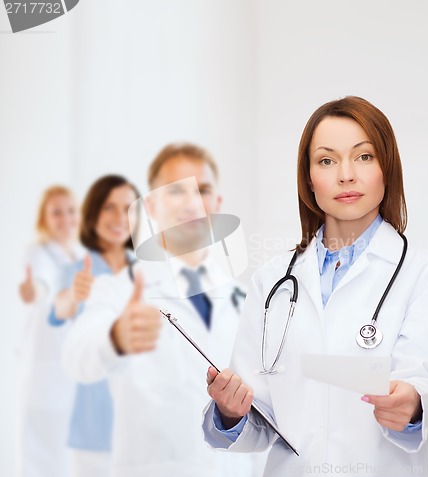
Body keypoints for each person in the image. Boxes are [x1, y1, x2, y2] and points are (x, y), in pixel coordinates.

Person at [203, 96, 428, 477]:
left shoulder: (426, 273)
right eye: (326, 160)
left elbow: (427, 387)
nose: (346, 175)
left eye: (364, 157)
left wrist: (412, 405)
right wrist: (230, 411)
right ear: (309, 178)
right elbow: (260, 420)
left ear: (386, 168)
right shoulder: (272, 281)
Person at [62, 143, 260, 477]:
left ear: (217, 204)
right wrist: (114, 339)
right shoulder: (119, 288)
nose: (192, 202)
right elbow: (75, 358)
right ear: (151, 205)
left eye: (204, 190)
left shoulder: (244, 297)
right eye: (177, 191)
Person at [49, 175, 140, 477]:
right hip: (94, 428)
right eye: (108, 208)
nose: (118, 218)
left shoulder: (147, 271)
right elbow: (58, 310)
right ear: (92, 214)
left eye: (127, 209)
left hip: (142, 422)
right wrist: (73, 296)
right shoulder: (78, 271)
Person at [16, 185, 84, 477]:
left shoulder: (80, 255)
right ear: (44, 218)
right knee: (39, 456)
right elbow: (40, 286)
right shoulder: (38, 252)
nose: (65, 219)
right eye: (56, 212)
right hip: (44, 371)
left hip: (71, 370)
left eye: (70, 211)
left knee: (65, 457)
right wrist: (32, 291)